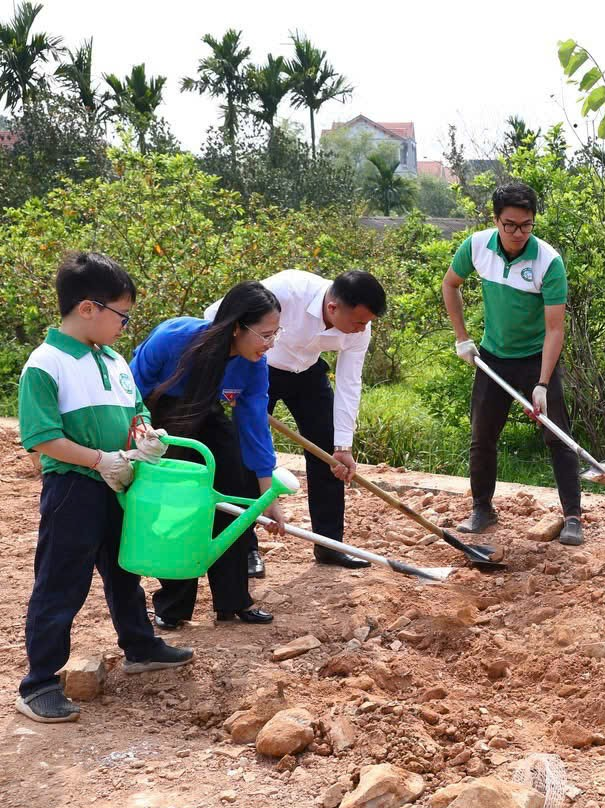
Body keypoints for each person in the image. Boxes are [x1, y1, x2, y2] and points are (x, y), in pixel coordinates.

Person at [16, 252, 193, 723]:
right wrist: (99, 459)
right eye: (122, 314)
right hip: (74, 488)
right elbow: (40, 437)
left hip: (121, 483)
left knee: (124, 570)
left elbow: (138, 412)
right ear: (89, 308)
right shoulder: (46, 363)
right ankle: (39, 684)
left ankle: (140, 646)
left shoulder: (114, 360)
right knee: (61, 583)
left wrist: (145, 438)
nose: (124, 325)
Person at [208, 270, 387, 576]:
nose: (363, 329)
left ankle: (330, 544)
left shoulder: (359, 329)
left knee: (329, 454)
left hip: (308, 372)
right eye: (359, 322)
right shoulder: (286, 291)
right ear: (333, 308)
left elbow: (349, 382)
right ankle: (246, 550)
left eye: (367, 323)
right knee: (246, 456)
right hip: (259, 369)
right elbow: (217, 316)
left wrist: (344, 445)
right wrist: (230, 380)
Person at [131, 281, 287, 629]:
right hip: (158, 420)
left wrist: (266, 493)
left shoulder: (253, 364)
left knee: (234, 496)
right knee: (176, 507)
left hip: (207, 415)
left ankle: (234, 602)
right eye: (264, 334)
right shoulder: (174, 337)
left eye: (276, 334)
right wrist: (136, 437)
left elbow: (254, 426)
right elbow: (132, 387)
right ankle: (172, 607)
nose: (270, 344)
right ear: (236, 327)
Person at [442, 182, 584, 545]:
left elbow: (555, 329)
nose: (518, 233)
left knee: (558, 436)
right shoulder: (476, 246)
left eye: (526, 225)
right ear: (496, 220)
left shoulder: (548, 261)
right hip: (492, 356)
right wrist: (462, 338)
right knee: (483, 434)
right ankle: (482, 509)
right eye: (510, 225)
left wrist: (542, 382)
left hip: (536, 359)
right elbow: (450, 284)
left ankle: (572, 517)